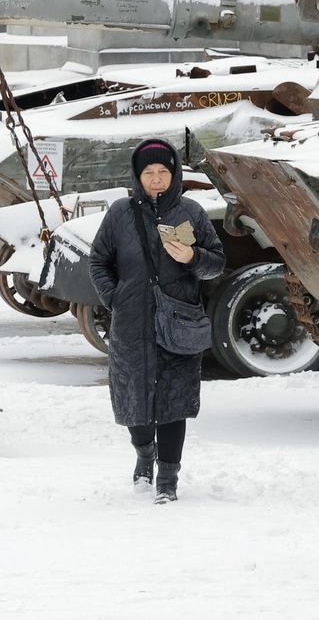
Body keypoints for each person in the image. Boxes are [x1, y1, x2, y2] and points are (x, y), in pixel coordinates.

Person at [89, 139, 225, 503]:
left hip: (177, 321)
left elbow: (216, 263)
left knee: (173, 401)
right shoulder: (120, 213)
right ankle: (143, 452)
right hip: (132, 323)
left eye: (163, 171)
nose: (157, 179)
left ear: (174, 173)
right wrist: (113, 297)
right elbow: (98, 260)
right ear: (138, 175)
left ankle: (168, 478)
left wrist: (193, 256)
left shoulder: (191, 212)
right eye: (149, 172)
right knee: (133, 399)